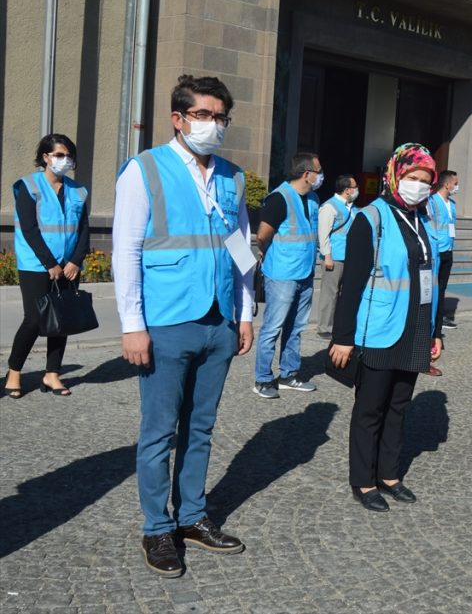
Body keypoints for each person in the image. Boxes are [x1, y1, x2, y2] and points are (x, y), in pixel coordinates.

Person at [114, 74, 252, 577]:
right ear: (178, 118)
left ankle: (191, 516)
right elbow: (126, 250)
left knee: (201, 427)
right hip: (167, 321)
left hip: (218, 321)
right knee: (158, 433)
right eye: (203, 115)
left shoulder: (232, 177)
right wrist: (133, 325)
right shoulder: (145, 169)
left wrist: (245, 311)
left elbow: (241, 251)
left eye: (220, 117)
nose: (212, 125)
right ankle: (157, 528)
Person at [330, 144, 443, 513]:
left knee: (399, 405)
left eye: (425, 181)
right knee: (370, 408)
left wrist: (435, 330)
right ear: (395, 176)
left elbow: (433, 277)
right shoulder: (371, 218)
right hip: (378, 328)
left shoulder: (423, 220)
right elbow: (352, 284)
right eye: (412, 178)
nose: (418, 186)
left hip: (414, 327)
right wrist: (343, 337)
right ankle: (363, 480)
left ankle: (390, 475)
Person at [5, 134, 90, 399]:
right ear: (45, 157)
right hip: (36, 265)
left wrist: (76, 260)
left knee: (62, 319)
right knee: (33, 319)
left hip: (69, 266)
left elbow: (84, 229)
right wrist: (50, 263)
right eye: (59, 155)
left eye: (68, 156)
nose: (64, 160)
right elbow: (29, 230)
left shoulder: (77, 190)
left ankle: (52, 374)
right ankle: (14, 371)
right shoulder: (28, 187)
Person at [252, 152, 321, 398]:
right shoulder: (279, 199)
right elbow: (262, 236)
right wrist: (267, 255)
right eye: (318, 171)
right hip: (282, 274)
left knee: (296, 327)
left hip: (305, 273)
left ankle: (289, 374)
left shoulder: (312, 198)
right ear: (306, 174)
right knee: (273, 328)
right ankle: (263, 379)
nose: (320, 175)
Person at [316, 174, 358, 338]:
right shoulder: (329, 207)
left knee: (342, 293)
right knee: (330, 292)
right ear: (347, 190)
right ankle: (325, 327)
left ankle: (338, 324)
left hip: (349, 256)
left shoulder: (352, 207)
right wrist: (327, 256)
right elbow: (323, 234)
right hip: (334, 257)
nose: (357, 190)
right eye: (355, 187)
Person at [427, 170, 459, 335]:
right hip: (437, 251)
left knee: (442, 289)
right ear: (447, 184)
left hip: (448, 250)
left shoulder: (452, 204)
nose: (456, 186)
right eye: (455, 183)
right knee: (434, 289)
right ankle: (431, 325)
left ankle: (438, 324)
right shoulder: (432, 201)